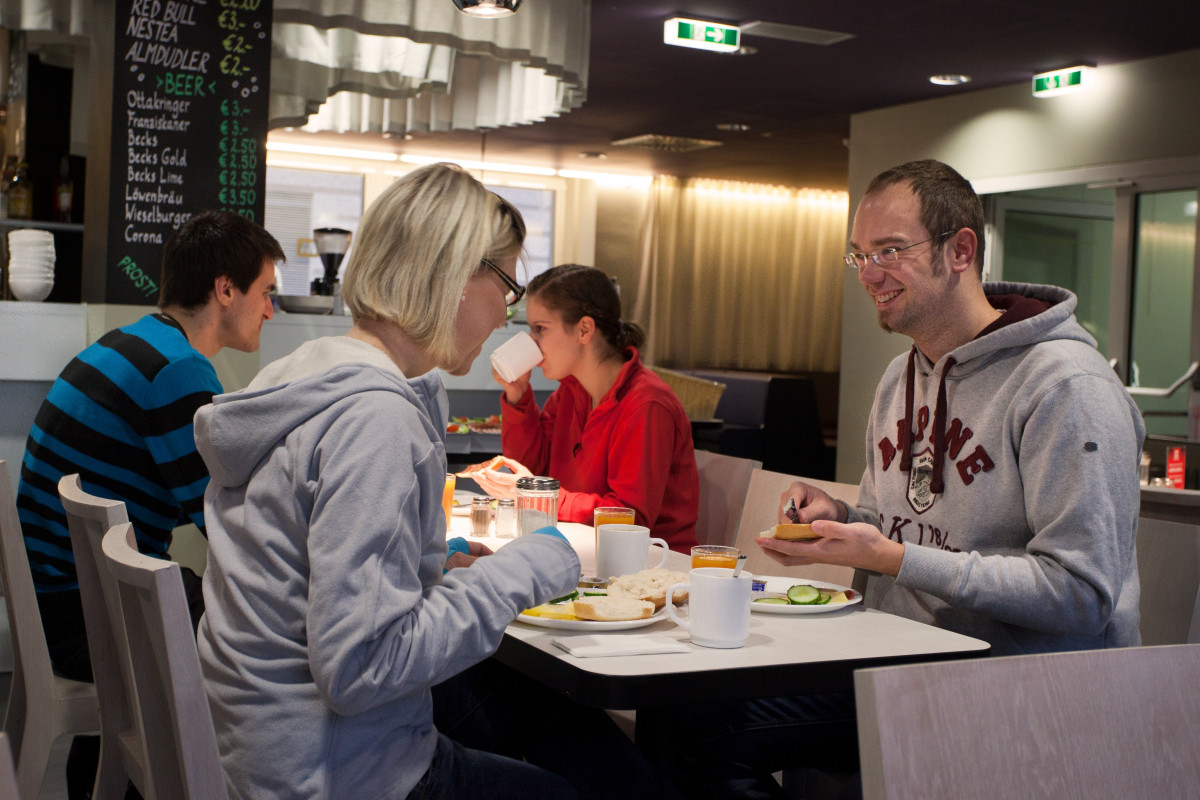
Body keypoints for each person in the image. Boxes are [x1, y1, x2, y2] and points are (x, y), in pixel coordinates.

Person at [642, 159, 1145, 799]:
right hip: (894, 662)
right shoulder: (900, 377)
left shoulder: (1066, 387)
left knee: (698, 739)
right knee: (679, 718)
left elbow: (1082, 592)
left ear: (960, 249)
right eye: (859, 256)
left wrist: (896, 558)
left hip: (1019, 694)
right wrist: (840, 519)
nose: (870, 275)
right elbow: (894, 526)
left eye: (890, 251)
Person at [193, 164, 585, 799]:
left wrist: (436, 563)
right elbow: (363, 665)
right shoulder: (375, 419)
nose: (506, 315)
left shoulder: (303, 377)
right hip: (336, 774)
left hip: (261, 750)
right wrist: (529, 569)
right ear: (456, 273)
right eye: (508, 286)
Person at [472, 263, 700, 552]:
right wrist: (518, 396)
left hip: (652, 565)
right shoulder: (570, 392)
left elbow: (630, 518)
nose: (532, 342)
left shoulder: (647, 404)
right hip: (585, 551)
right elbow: (533, 469)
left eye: (540, 329)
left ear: (584, 330)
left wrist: (543, 496)